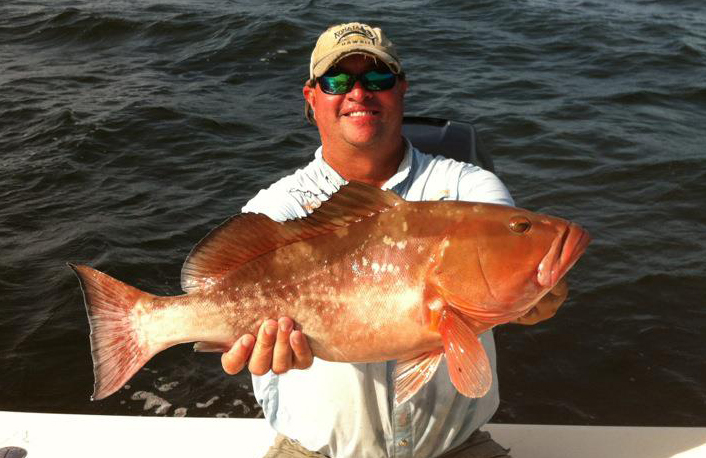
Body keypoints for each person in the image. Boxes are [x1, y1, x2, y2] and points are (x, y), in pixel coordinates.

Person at [220, 22, 569, 458]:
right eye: (337, 80)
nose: (359, 93)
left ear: (401, 88)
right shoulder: (277, 207)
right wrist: (246, 346)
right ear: (312, 97)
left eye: (378, 78)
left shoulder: (468, 188)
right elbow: (225, 290)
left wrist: (536, 296)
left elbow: (509, 269)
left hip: (456, 448)